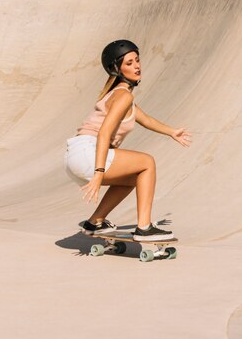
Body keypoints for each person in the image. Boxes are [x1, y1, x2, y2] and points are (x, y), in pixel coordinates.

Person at [64, 40, 191, 241]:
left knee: (134, 178)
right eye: (129, 63)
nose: (137, 66)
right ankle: (144, 228)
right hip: (89, 152)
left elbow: (146, 119)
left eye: (137, 61)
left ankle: (95, 221)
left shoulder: (119, 96)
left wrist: (172, 132)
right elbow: (105, 132)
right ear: (117, 69)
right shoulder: (123, 96)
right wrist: (99, 173)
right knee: (147, 162)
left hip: (77, 155)